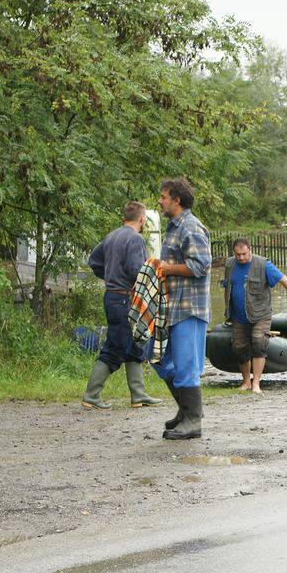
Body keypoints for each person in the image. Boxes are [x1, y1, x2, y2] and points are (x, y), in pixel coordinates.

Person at [82, 202, 162, 410]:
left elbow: (94, 261)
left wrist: (109, 277)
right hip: (125, 298)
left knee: (136, 343)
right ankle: (91, 395)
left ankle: (139, 395)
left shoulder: (112, 236)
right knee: (116, 347)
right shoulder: (135, 239)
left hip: (112, 296)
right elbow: (137, 271)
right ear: (142, 219)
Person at [151, 177, 212, 440]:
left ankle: (193, 421)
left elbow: (200, 266)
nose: (160, 201)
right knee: (161, 359)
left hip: (190, 309)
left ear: (176, 199)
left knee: (186, 364)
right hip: (172, 307)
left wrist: (167, 268)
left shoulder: (191, 227)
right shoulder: (173, 227)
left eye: (164, 196)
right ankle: (184, 410)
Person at [222, 238, 287, 394]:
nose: (241, 257)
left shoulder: (263, 264)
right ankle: (246, 381)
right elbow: (226, 287)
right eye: (238, 254)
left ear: (250, 250)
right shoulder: (229, 264)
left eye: (244, 254)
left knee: (259, 342)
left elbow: (284, 280)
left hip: (261, 314)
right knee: (239, 348)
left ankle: (256, 383)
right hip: (238, 315)